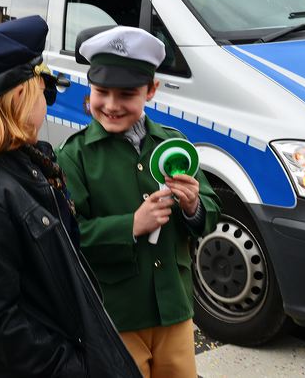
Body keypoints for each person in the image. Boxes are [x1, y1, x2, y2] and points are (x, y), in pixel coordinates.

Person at [0, 16, 141, 377]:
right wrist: (72, 368)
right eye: (43, 89)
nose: (47, 99)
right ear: (20, 96)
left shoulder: (8, 166)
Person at [57, 26, 221, 378]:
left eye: (127, 94)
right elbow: (70, 237)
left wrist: (194, 206)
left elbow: (209, 210)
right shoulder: (75, 156)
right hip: (116, 314)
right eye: (102, 92)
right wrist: (130, 226)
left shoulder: (173, 142)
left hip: (174, 308)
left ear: (151, 91)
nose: (112, 105)